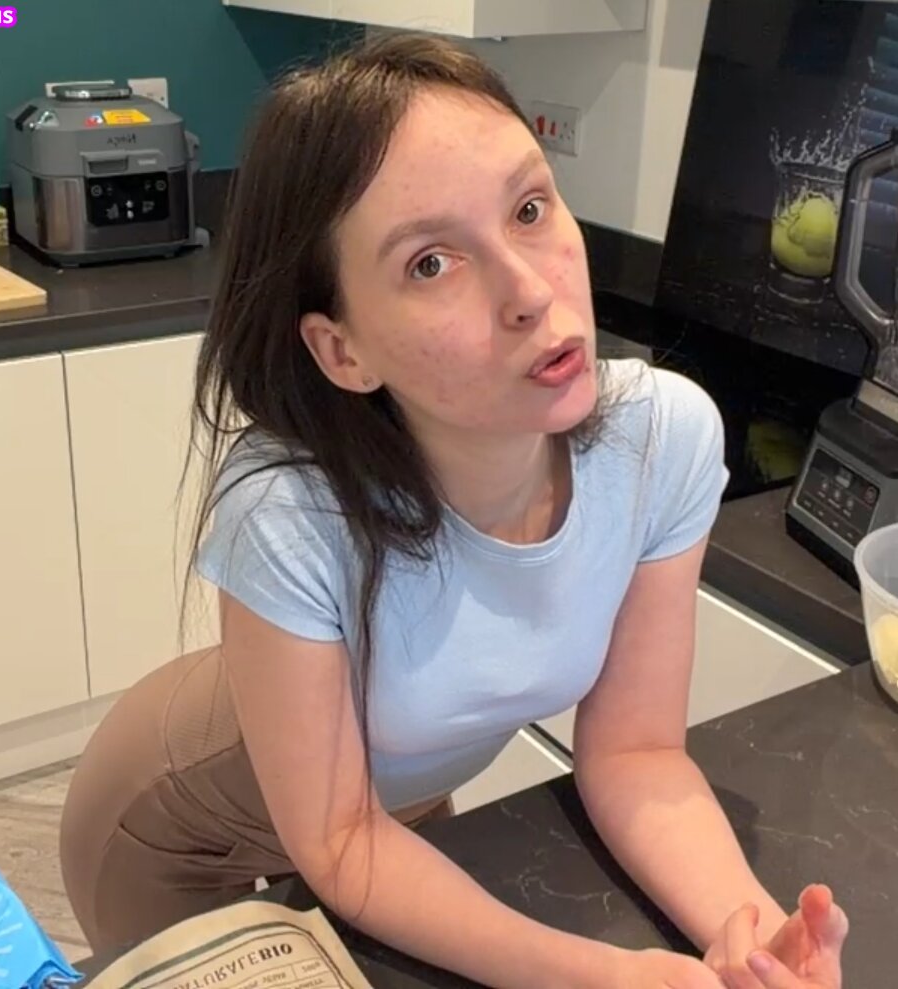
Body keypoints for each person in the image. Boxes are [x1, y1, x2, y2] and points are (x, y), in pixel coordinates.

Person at [59, 32, 848, 989]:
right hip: (180, 832)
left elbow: (635, 752)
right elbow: (338, 838)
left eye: (528, 208)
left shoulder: (659, 441)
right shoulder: (291, 512)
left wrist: (754, 941)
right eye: (430, 262)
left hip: (391, 812)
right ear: (342, 349)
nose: (531, 291)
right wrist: (606, 976)